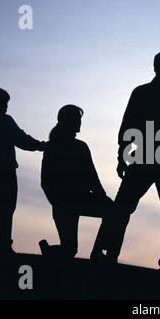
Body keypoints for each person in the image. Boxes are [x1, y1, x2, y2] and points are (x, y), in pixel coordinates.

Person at [93, 51, 160, 270]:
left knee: (137, 210)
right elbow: (129, 126)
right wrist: (122, 155)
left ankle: (112, 253)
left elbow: (130, 126)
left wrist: (123, 155)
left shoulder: (156, 96)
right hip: (159, 161)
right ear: (158, 68)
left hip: (155, 160)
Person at [0, 86, 46, 256]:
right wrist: (41, 146)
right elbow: (21, 139)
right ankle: (5, 244)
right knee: (6, 210)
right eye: (5, 102)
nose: (6, 106)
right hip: (5, 172)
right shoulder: (4, 120)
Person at [39, 105, 113, 260]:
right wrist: (103, 197)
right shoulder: (79, 147)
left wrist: (56, 201)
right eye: (78, 119)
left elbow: (45, 181)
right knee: (70, 250)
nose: (80, 123)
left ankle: (97, 252)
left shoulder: (53, 146)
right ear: (70, 121)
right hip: (73, 201)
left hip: (66, 202)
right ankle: (98, 252)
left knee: (69, 250)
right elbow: (92, 177)